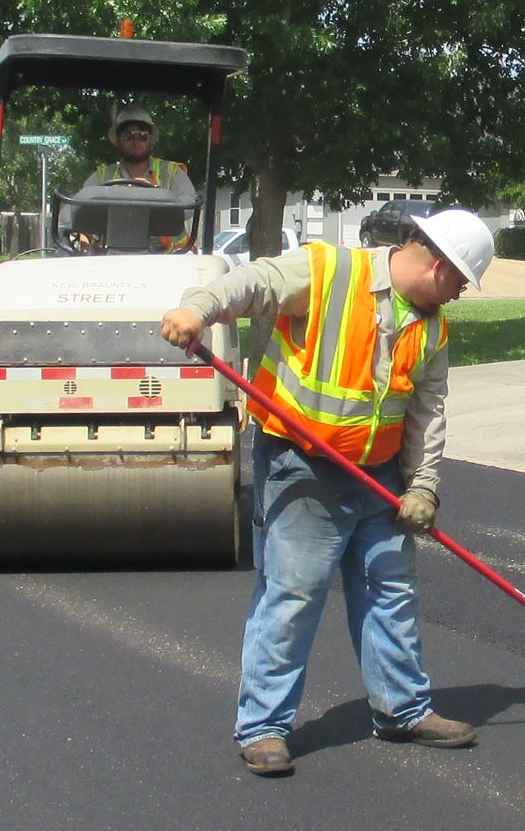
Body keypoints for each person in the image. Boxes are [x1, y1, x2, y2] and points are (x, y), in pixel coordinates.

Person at [159, 208, 496, 776]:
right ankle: (264, 728)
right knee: (292, 596)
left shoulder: (433, 327)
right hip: (303, 464)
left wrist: (424, 486)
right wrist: (196, 309)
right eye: (461, 281)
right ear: (437, 264)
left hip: (380, 475)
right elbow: (253, 283)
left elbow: (427, 412)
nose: (460, 294)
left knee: (390, 590)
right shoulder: (330, 271)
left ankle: (403, 708)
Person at [58, 103, 196, 252]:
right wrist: (85, 231)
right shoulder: (103, 176)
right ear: (117, 140)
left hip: (170, 258)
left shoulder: (171, 172)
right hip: (114, 259)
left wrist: (159, 209)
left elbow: (190, 204)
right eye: (128, 136)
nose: (136, 142)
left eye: (143, 136)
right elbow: (70, 210)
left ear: (151, 139)